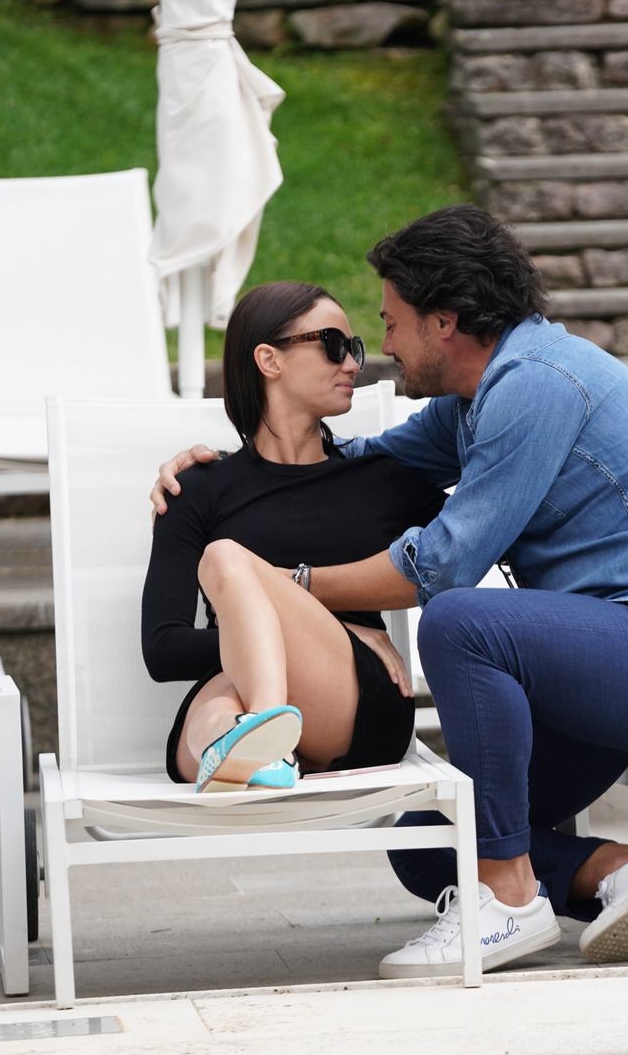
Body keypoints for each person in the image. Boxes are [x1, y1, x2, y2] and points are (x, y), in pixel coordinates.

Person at [152, 205, 628, 977]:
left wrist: (286, 586)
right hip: (599, 662)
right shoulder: (472, 404)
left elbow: (437, 569)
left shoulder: (536, 386)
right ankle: (621, 870)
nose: (383, 347)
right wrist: (221, 469)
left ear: (445, 322)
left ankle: (507, 898)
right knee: (429, 842)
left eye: (391, 323)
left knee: (460, 620)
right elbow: (359, 465)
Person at [142, 281, 444, 792]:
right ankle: (245, 743)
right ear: (269, 360)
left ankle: (263, 736)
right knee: (216, 712)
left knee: (226, 559)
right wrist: (270, 641)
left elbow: (466, 553)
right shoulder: (194, 488)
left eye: (353, 348)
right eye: (333, 345)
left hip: (357, 707)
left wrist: (336, 637)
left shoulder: (381, 478)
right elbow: (163, 649)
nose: (351, 364)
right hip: (236, 684)